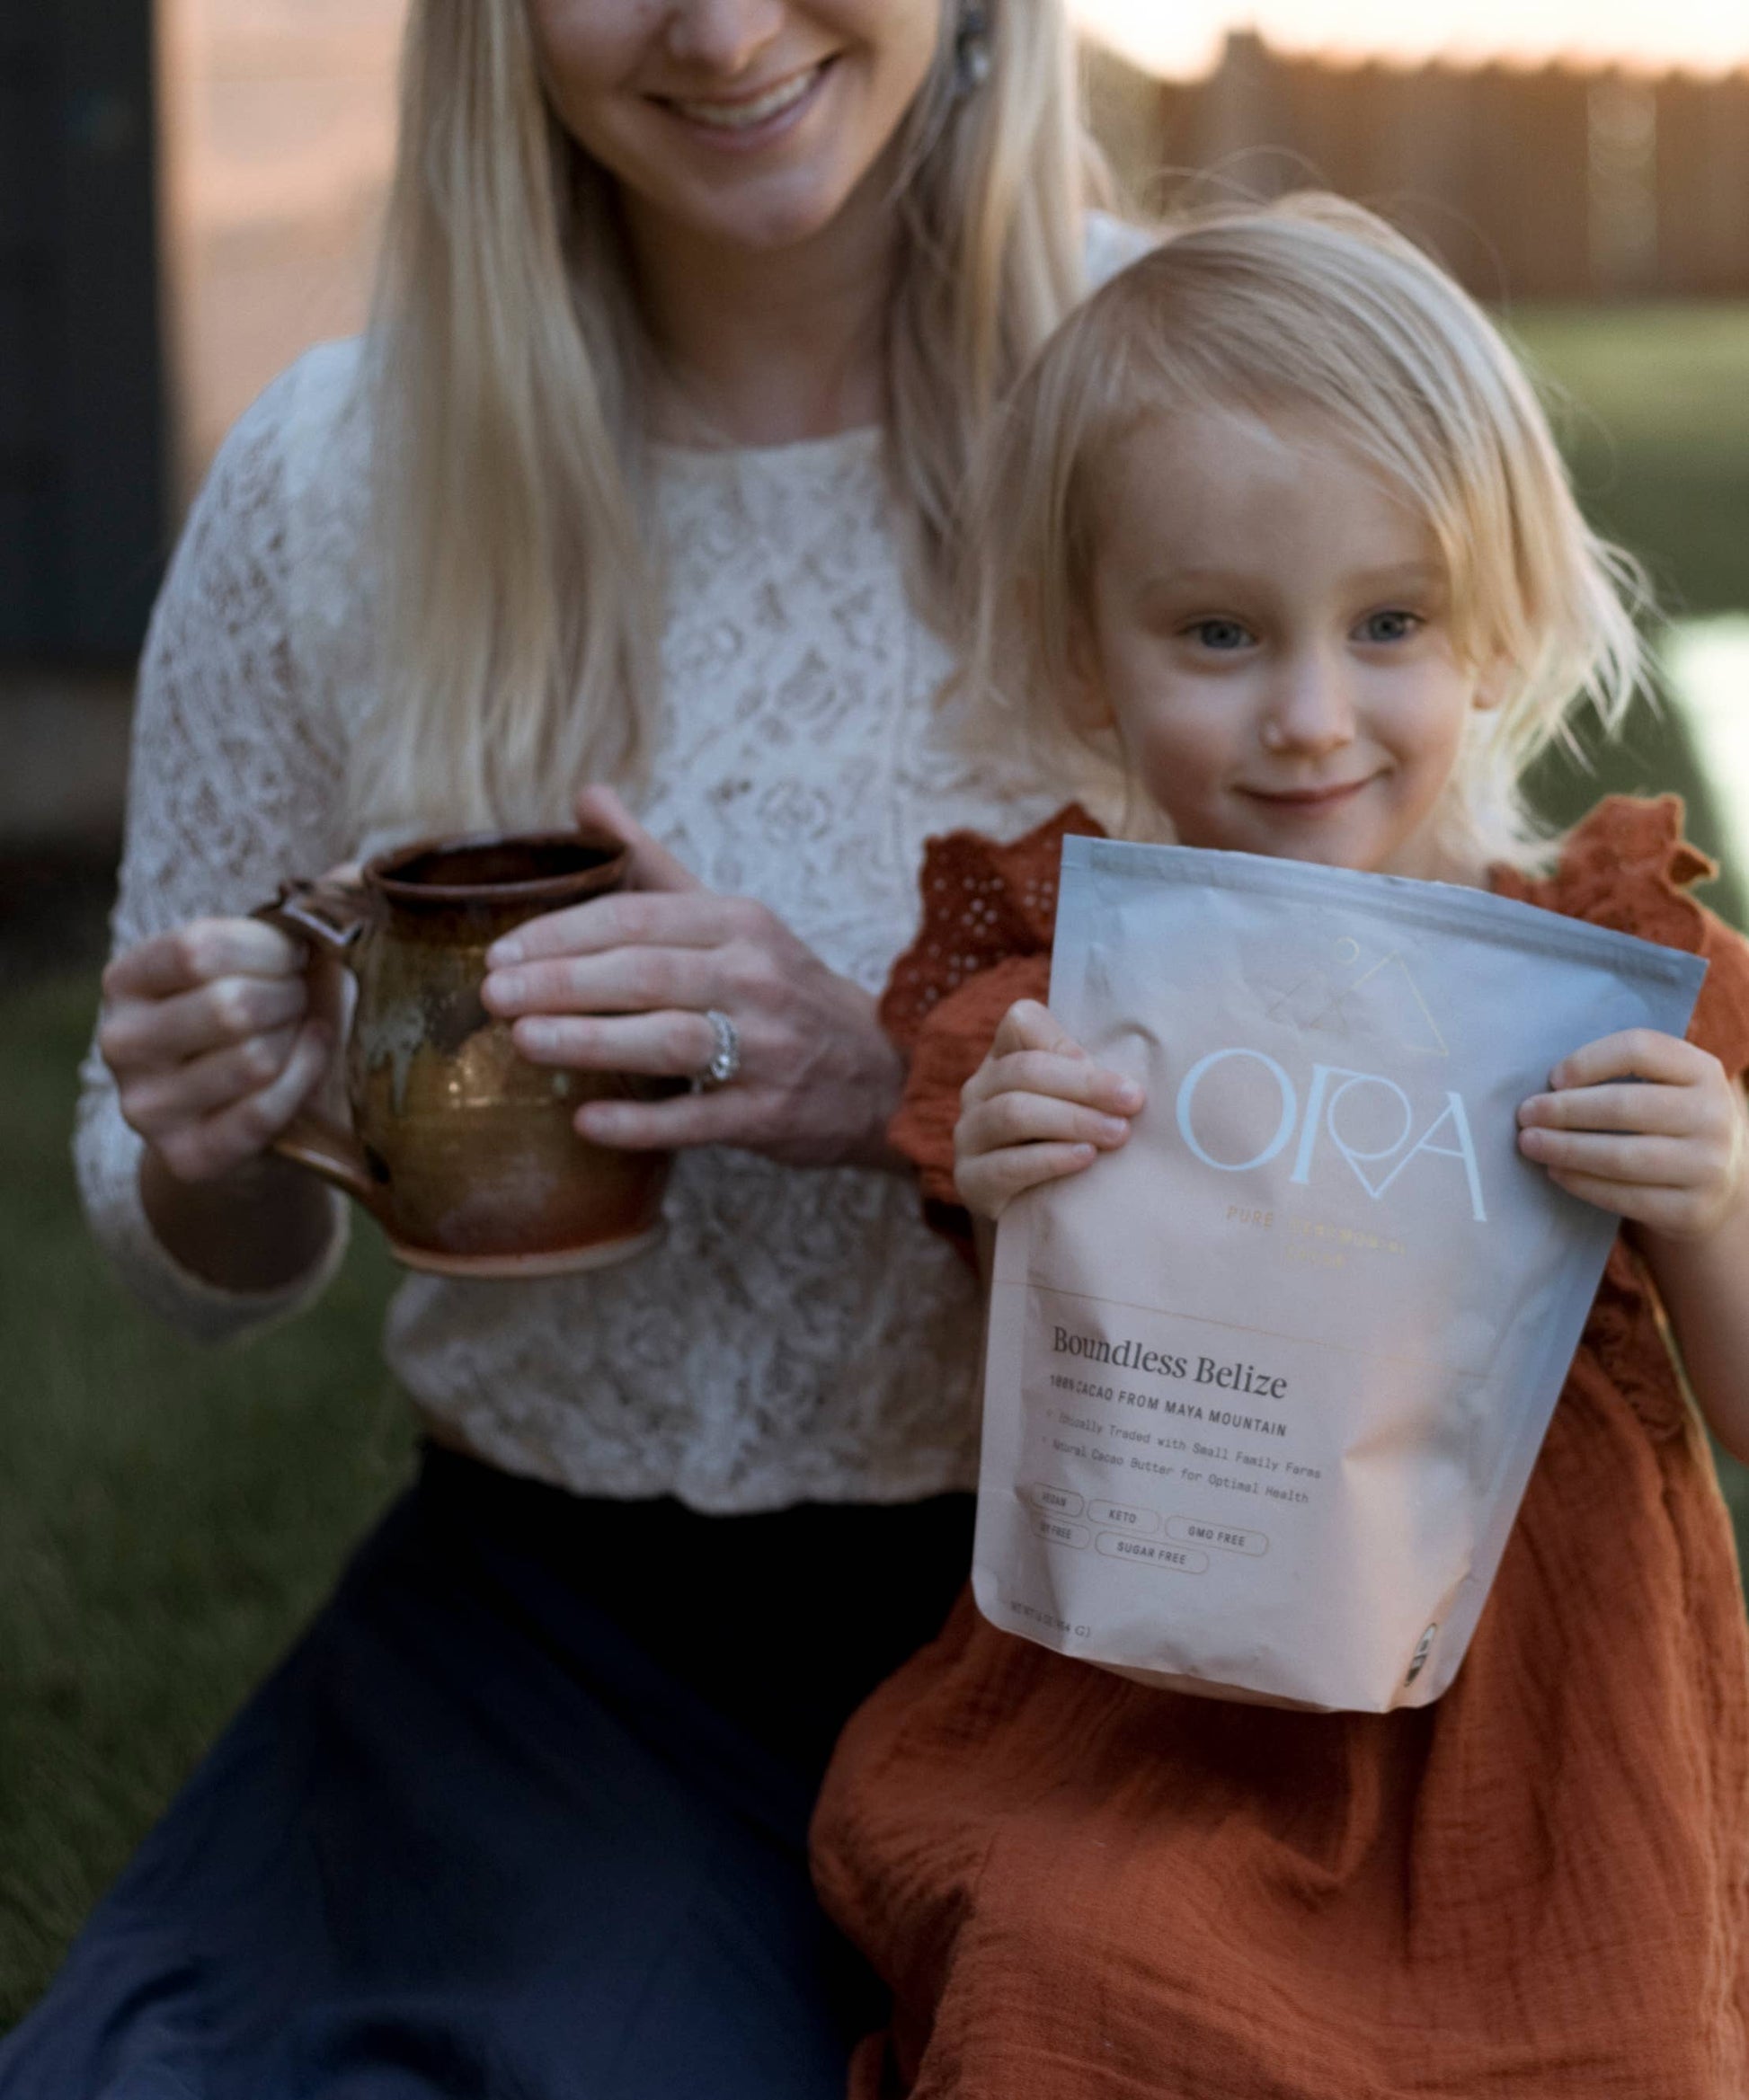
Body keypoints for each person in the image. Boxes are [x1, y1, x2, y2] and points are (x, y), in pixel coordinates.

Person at [0, 4, 1147, 2095]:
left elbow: (1392, 1117)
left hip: (1130, 1617)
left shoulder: (1189, 389)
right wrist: (220, 1132)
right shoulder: (335, 478)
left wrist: (882, 1082)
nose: (717, 30)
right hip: (563, 1643)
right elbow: (194, 1251)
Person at [810, 194, 1749, 2097]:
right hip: (1159, 1711)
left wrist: (1714, 1207)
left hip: (1541, 1743)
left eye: (1388, 622)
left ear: (1492, 632)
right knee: (1068, 1974)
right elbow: (1042, 1389)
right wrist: (1011, 1170)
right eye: (1220, 632)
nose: (1310, 717)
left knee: (1612, 2038)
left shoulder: (1622, 988)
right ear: (1090, 659)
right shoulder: (1066, 986)